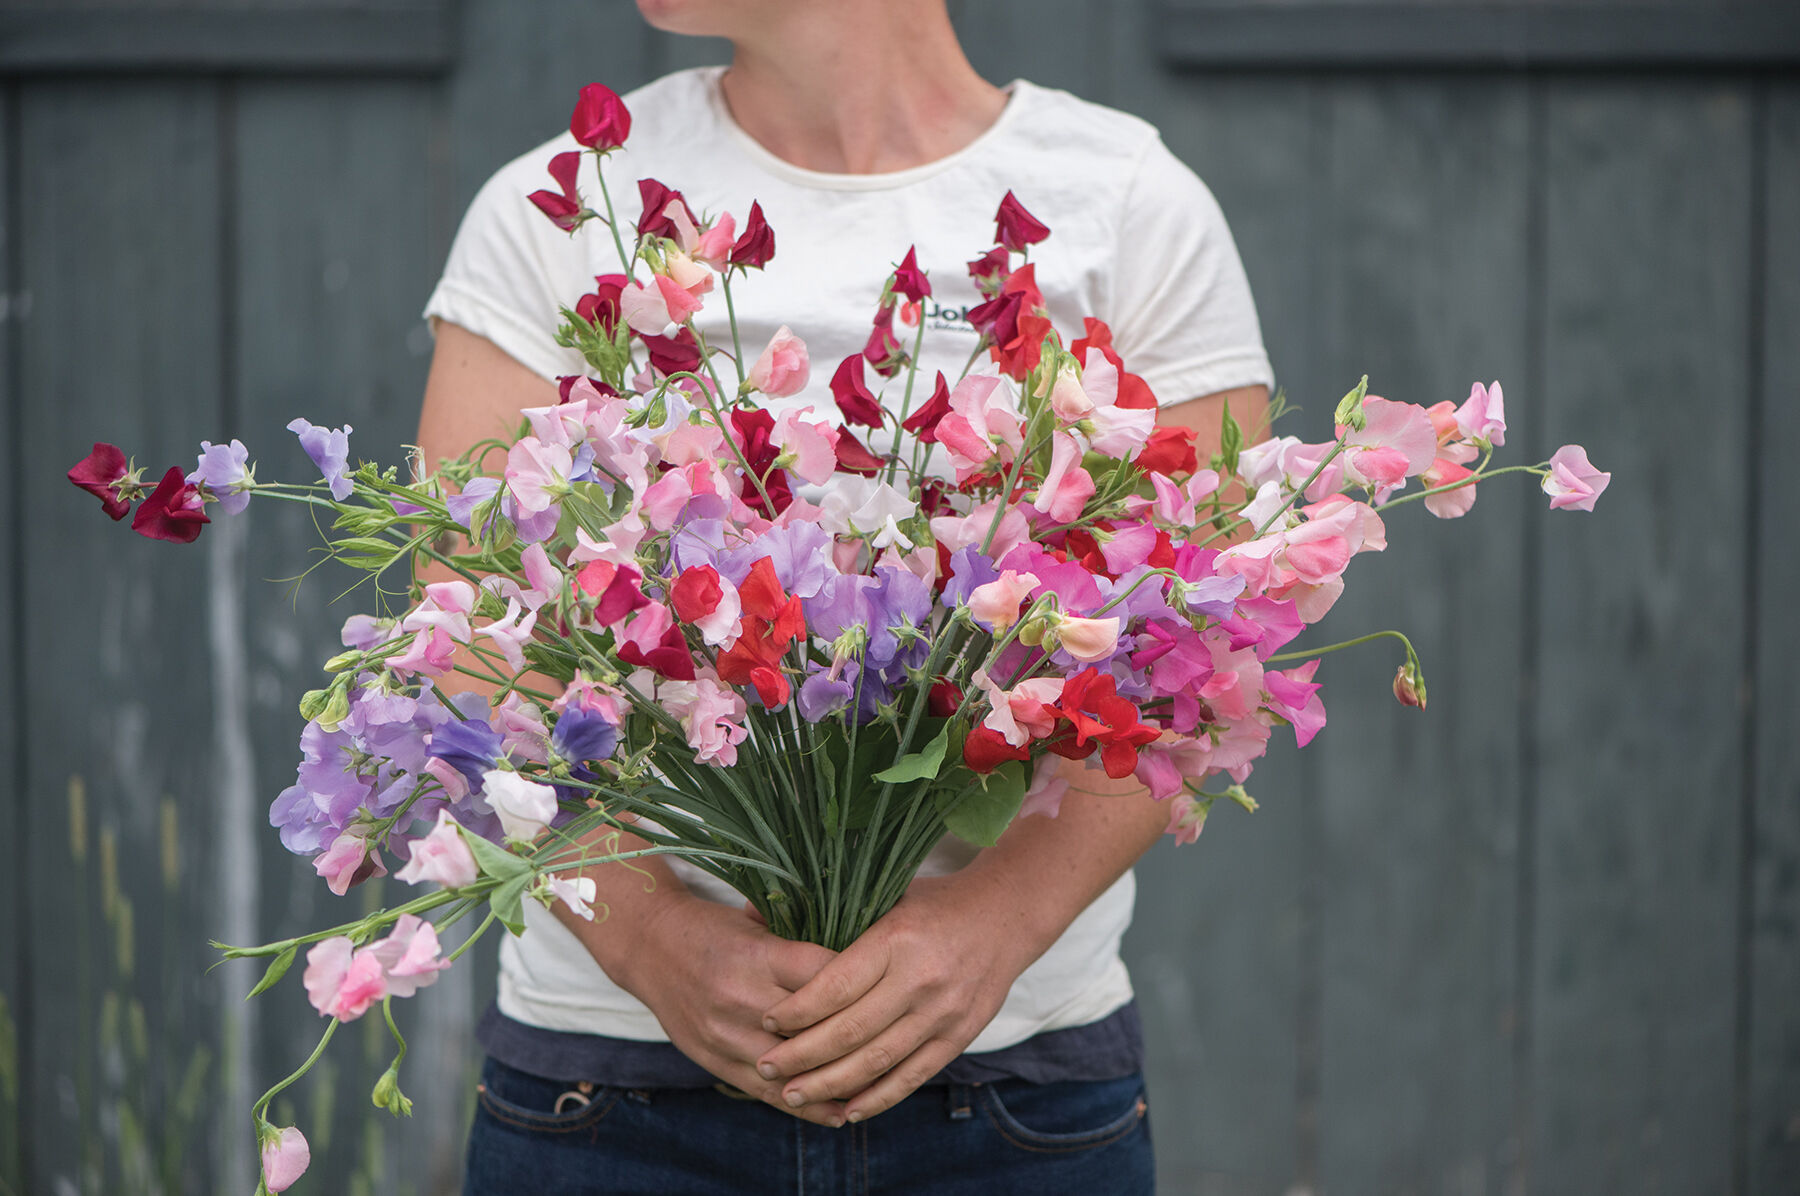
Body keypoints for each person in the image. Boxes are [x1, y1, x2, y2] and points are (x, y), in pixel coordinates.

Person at [417, 1, 1273, 1189]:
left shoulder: (1128, 204)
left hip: (1007, 1088)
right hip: (614, 1087)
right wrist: (653, 938)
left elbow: (1202, 650)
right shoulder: (559, 210)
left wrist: (991, 926)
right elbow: (468, 640)